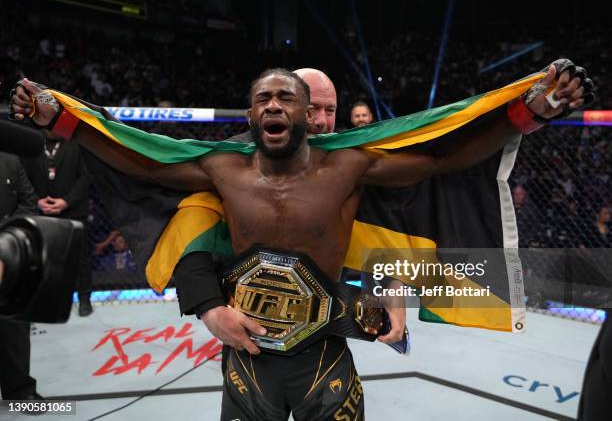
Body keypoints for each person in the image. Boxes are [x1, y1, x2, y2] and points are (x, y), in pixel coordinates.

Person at [11, 61, 590, 420]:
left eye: (287, 98)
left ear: (307, 115)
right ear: (251, 111)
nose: (274, 106)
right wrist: (59, 120)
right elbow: (146, 164)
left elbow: (441, 157)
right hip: (246, 349)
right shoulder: (222, 169)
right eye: (264, 97)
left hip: (325, 347)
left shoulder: (349, 167)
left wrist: (527, 114)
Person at [20, 130, 93, 316]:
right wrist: (37, 200)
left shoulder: (77, 143)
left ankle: (84, 299)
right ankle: (46, 299)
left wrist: (66, 201)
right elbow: (23, 176)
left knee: (80, 258)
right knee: (44, 258)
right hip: (41, 211)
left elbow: (86, 176)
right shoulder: (32, 143)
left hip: (73, 210)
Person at [0, 152, 45, 408]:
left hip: (6, 254)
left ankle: (20, 390)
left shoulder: (10, 160)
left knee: (13, 325)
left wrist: (7, 233)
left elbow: (28, 202)